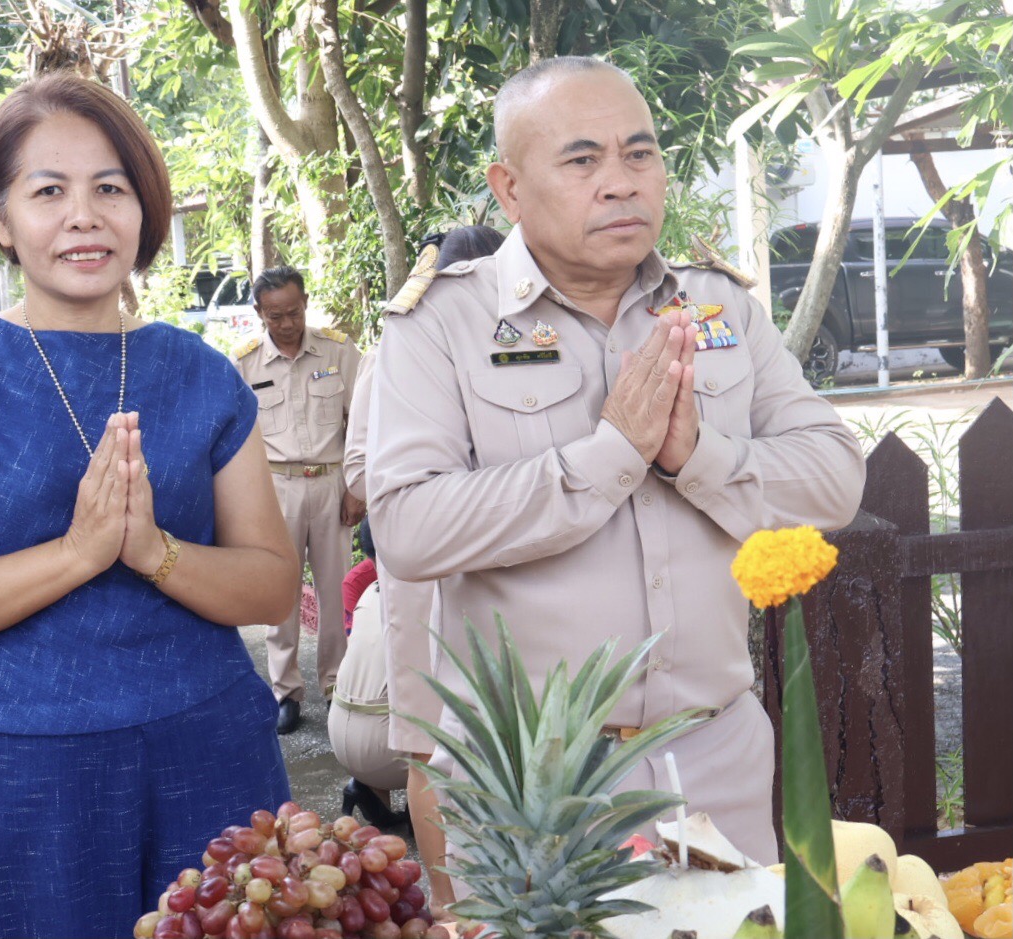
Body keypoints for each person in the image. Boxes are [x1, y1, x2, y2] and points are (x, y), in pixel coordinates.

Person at [367, 57, 865, 865]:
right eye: (581, 159)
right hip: (532, 780)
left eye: (639, 154)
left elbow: (834, 476)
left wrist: (693, 455)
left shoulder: (718, 308)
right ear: (508, 189)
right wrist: (609, 458)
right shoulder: (442, 325)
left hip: (715, 755)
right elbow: (408, 528)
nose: (620, 183)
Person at [0, 72, 297, 938]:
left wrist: (153, 551)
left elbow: (269, 584)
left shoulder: (201, 373)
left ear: (143, 208)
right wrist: (77, 552)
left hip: (212, 741)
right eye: (48, 191)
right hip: (32, 765)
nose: (83, 216)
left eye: (110, 188)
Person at [344, 224, 504, 919]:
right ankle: (448, 911)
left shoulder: (531, 346)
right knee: (430, 745)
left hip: (514, 575)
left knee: (517, 742)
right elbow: (357, 472)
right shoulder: (394, 352)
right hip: (424, 578)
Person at [232, 266, 363, 734]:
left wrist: (357, 486)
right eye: (275, 316)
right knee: (280, 591)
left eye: (293, 312)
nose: (286, 324)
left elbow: (363, 422)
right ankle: (285, 691)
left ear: (305, 302)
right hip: (276, 488)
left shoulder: (338, 351)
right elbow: (236, 439)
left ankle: (336, 684)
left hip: (331, 484)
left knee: (335, 588)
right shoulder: (244, 364)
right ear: (259, 312)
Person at [327, 517, 414, 833]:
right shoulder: (424, 593)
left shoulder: (367, 589)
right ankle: (423, 811)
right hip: (386, 750)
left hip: (339, 733)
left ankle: (368, 791)